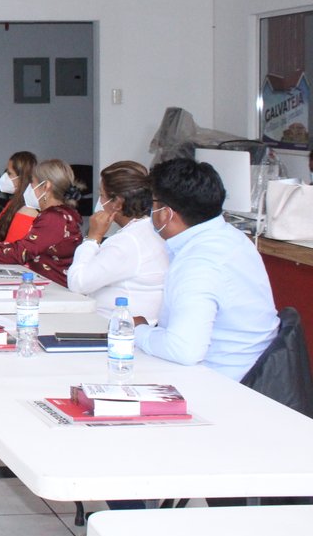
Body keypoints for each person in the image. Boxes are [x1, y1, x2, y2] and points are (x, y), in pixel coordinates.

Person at [133, 158, 279, 381]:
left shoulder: (199, 261)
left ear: (166, 213)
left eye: (153, 204)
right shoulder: (231, 238)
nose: (150, 211)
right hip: (249, 373)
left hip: (220, 384)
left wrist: (137, 331)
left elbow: (183, 349)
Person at [0, 159, 83, 287]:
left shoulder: (54, 218)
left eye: (33, 183)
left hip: (52, 290)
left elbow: (20, 252)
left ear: (46, 186)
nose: (29, 187)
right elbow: (20, 247)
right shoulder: (62, 214)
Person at [66, 160, 168, 321]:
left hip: (116, 332)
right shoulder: (149, 230)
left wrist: (92, 238)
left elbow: (78, 282)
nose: (100, 202)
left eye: (102, 195)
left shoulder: (127, 242)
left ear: (118, 203)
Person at [0, 151, 38, 243]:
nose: (5, 177)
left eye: (9, 173)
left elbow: (11, 248)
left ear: (22, 177)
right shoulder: (13, 202)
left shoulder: (27, 210)